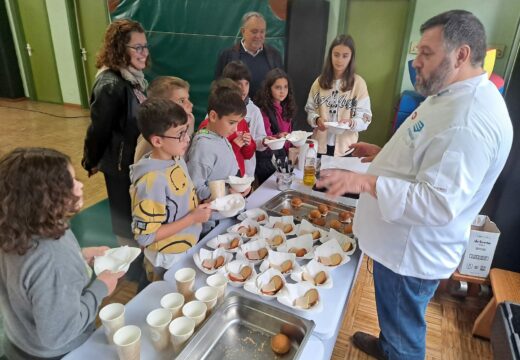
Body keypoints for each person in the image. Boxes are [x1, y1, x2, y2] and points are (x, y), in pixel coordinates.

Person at [316, 10, 513, 360]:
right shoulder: (451, 94)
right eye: (417, 52)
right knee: (395, 317)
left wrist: (365, 181)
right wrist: (380, 155)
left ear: (461, 55)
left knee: (406, 330)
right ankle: (388, 344)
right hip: (400, 246)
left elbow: (437, 202)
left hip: (411, 254)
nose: (416, 62)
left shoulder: (468, 121)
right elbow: (425, 157)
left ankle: (399, 350)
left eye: (426, 53)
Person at [0, 147, 124, 360]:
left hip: (20, 341)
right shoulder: (51, 257)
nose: (80, 185)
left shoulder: (18, 227)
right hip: (56, 353)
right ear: (46, 197)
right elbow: (60, 333)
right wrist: (100, 287)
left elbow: (31, 280)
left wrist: (81, 254)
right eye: (71, 182)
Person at [82, 19, 149, 248]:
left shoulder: (133, 78)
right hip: (120, 164)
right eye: (137, 47)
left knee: (136, 212)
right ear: (120, 49)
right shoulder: (111, 84)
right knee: (124, 217)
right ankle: (128, 264)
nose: (144, 53)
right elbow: (99, 130)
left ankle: (138, 255)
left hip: (134, 159)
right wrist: (91, 160)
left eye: (145, 46)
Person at [130, 98, 212, 281]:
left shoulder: (176, 158)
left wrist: (200, 205)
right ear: (157, 141)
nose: (187, 138)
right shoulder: (152, 181)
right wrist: (192, 218)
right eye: (180, 134)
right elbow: (146, 237)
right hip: (166, 260)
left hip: (185, 249)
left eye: (186, 131)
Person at [305, 34, 372, 157]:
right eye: (336, 55)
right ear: (330, 55)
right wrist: (316, 119)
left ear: (351, 57)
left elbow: (366, 117)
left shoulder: (359, 84)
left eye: (345, 56)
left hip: (346, 147)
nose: (339, 60)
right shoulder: (319, 82)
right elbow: (310, 110)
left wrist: (352, 122)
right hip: (320, 146)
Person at [186, 79, 249, 202]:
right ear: (213, 116)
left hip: (232, 209)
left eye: (237, 123)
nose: (235, 129)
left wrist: (241, 188)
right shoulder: (203, 147)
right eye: (231, 123)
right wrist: (228, 192)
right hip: (216, 219)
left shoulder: (220, 136)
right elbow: (195, 189)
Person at [214, 11, 283, 98]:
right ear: (243, 31)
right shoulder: (227, 55)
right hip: (237, 109)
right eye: (254, 31)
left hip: (266, 110)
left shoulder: (275, 56)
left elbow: (281, 86)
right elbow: (218, 88)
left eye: (262, 32)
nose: (258, 36)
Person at [198, 78, 256, 177]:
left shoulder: (240, 121)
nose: (235, 129)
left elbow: (248, 155)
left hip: (237, 180)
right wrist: (235, 146)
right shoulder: (207, 129)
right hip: (223, 186)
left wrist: (248, 143)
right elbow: (214, 164)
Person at [134, 76, 195, 162]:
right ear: (162, 105)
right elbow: (140, 166)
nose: (190, 104)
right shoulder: (152, 136)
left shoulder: (190, 119)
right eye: (181, 101)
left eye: (188, 99)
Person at [254, 68, 297, 184]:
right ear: (269, 89)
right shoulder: (263, 111)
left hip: (283, 157)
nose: (282, 91)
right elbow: (265, 137)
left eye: (285, 87)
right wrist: (279, 136)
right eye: (278, 87)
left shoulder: (287, 106)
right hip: (268, 162)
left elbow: (289, 132)